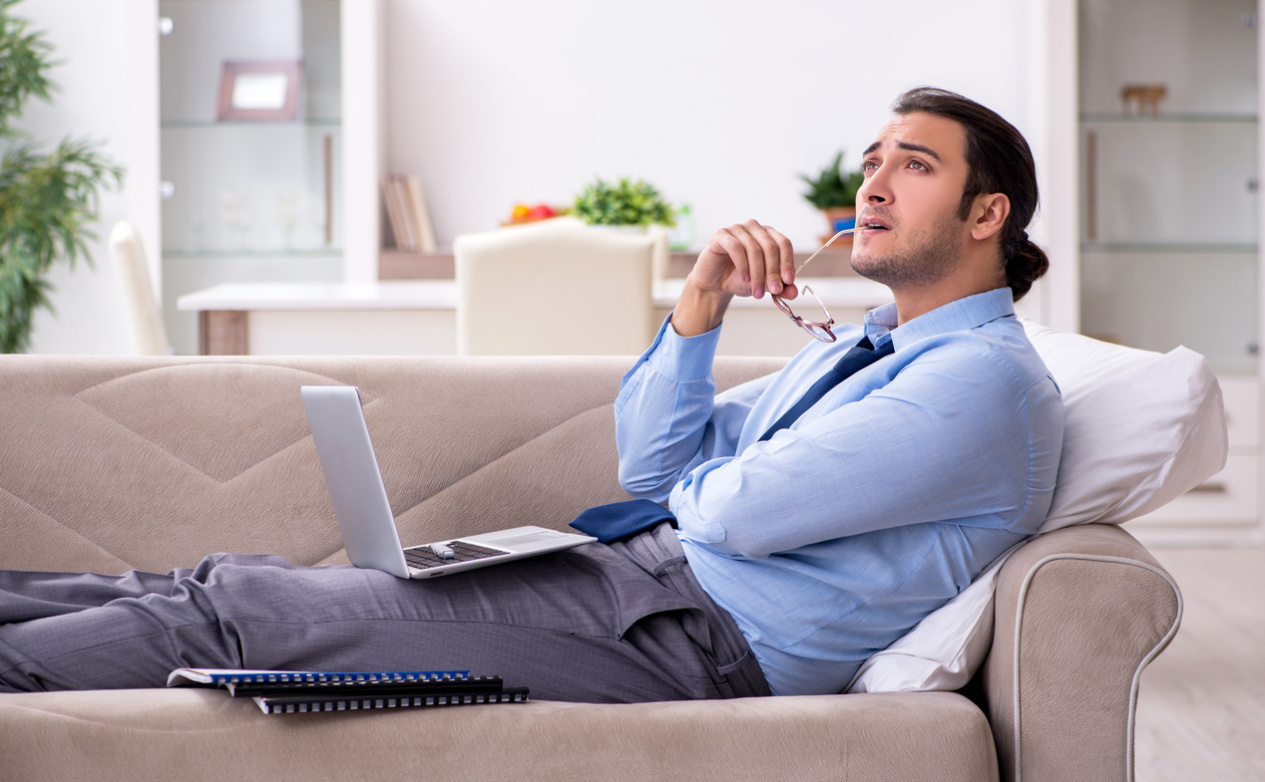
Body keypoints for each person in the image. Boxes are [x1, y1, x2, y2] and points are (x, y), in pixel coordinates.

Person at [0, 87, 1062, 703]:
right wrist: (698, 302)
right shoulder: (871, 348)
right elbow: (653, 465)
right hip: (641, 580)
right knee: (220, 581)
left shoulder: (980, 383)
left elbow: (731, 511)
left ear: (987, 215)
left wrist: (713, 483)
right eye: (872, 161)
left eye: (912, 166)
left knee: (246, 616)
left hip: (695, 638)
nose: (872, 183)